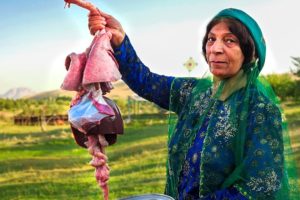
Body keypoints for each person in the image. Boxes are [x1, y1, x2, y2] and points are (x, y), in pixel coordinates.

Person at [88, 8, 299, 200]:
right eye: (211, 39)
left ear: (251, 53)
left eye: (229, 40)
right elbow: (146, 81)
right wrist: (119, 39)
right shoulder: (192, 93)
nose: (215, 49)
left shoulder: (260, 110)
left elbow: (261, 184)